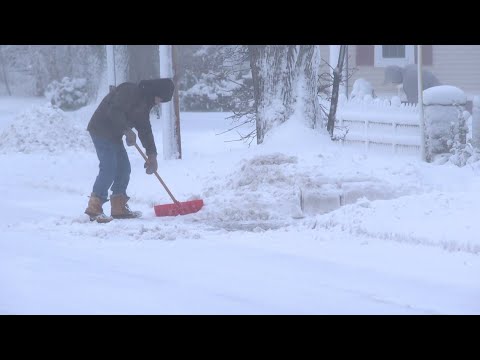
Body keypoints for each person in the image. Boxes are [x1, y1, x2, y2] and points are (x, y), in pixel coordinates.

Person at [84, 78, 175, 223]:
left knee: (124, 168)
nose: (158, 102)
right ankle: (95, 206)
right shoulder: (129, 90)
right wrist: (126, 129)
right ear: (156, 92)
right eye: (160, 98)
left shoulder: (145, 104)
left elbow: (145, 129)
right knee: (109, 167)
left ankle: (118, 207)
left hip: (115, 135)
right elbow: (114, 111)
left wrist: (152, 154)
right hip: (100, 129)